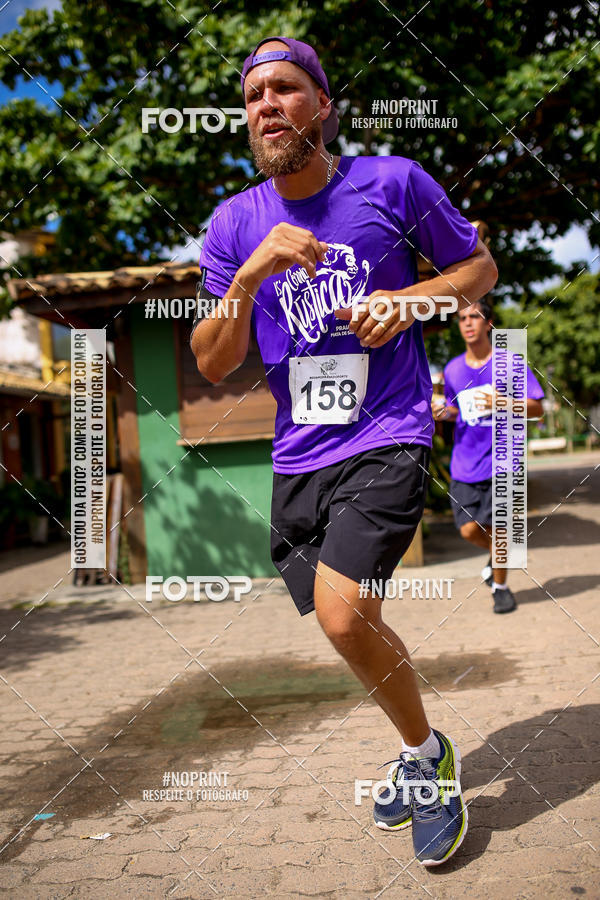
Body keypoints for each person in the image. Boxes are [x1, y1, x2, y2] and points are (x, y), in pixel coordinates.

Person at [190, 36, 498, 866]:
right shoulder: (234, 223)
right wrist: (247, 278)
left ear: (321, 105)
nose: (267, 105)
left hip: (388, 435)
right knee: (356, 625)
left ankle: (428, 772)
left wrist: (410, 301)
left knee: (342, 612)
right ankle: (420, 750)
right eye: (254, 94)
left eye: (286, 88)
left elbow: (479, 267)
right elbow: (212, 361)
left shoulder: (392, 182)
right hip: (299, 462)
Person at [433, 298, 544, 612]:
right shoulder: (452, 370)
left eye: (475, 317)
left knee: (500, 529)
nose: (467, 322)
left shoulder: (510, 363)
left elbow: (537, 409)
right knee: (469, 529)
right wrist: (443, 413)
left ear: (489, 324)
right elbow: (457, 412)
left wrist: (503, 403)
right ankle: (499, 557)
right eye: (462, 318)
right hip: (466, 462)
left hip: (503, 461)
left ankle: (500, 587)